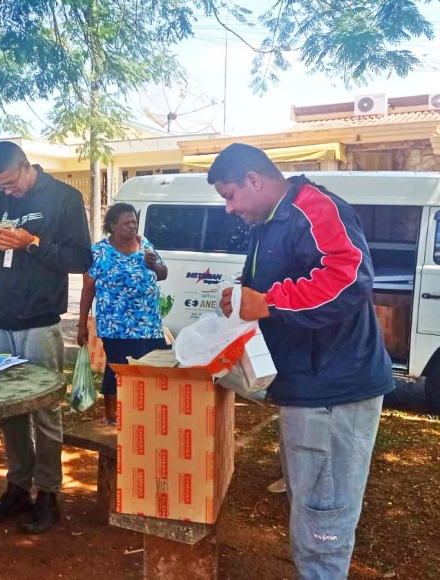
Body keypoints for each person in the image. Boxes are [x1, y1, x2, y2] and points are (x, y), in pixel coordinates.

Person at [209, 143, 393, 579]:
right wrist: (244, 297)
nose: (230, 209)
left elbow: (348, 279)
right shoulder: (271, 221)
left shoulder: (315, 207)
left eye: (230, 195)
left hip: (333, 390)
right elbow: (285, 282)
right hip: (308, 387)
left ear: (254, 179)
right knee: (312, 508)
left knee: (322, 519)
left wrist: (267, 301)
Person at [0, 141, 92, 534]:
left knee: (44, 411)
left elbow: (81, 259)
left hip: (40, 319)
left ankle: (48, 494)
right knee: (8, 410)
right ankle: (17, 487)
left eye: (10, 184)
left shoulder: (64, 197)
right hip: (1, 317)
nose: (5, 192)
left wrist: (33, 243)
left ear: (26, 168)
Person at [76, 203, 169, 425]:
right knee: (117, 369)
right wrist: (82, 324)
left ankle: (147, 413)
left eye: (134, 222)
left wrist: (154, 265)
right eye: (126, 223)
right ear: (112, 226)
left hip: (149, 323)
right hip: (116, 326)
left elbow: (163, 274)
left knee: (153, 368)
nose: (132, 226)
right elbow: (88, 289)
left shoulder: (144, 244)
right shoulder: (99, 251)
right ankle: (113, 417)